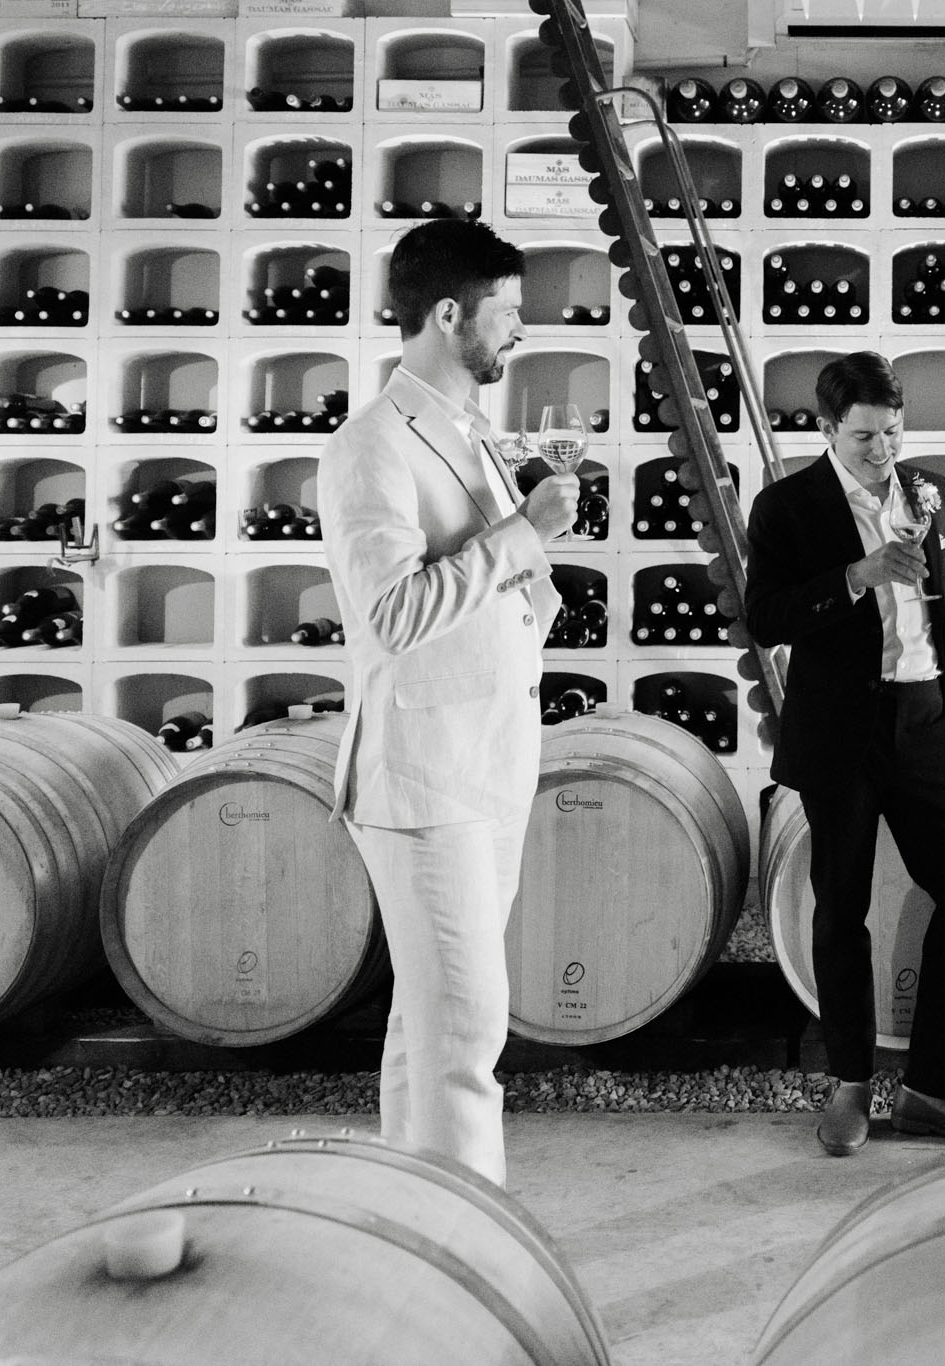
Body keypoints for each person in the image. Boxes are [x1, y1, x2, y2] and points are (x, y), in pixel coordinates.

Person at [318, 219, 580, 1185]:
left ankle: (411, 1224)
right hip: (425, 782)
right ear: (446, 315)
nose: (521, 330)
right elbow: (391, 612)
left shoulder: (466, 431)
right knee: (466, 1031)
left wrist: (530, 575)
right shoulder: (370, 447)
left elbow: (492, 592)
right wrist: (521, 536)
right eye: (507, 312)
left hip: (488, 766)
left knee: (428, 1025)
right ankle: (473, 1255)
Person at [743, 351, 945, 1156]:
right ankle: (851, 1085)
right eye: (865, 436)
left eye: (892, 433)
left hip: (929, 720)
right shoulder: (787, 507)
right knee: (841, 912)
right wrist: (857, 575)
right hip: (840, 730)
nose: (883, 452)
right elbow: (766, 617)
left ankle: (935, 1091)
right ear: (827, 429)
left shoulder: (932, 491)